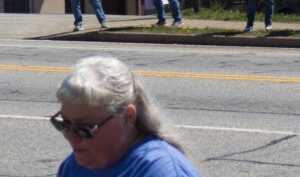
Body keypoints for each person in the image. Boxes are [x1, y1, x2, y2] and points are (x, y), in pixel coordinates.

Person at [53, 55, 199, 176]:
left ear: (127, 117)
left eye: (84, 129)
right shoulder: (74, 167)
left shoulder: (162, 170)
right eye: (64, 124)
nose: (69, 136)